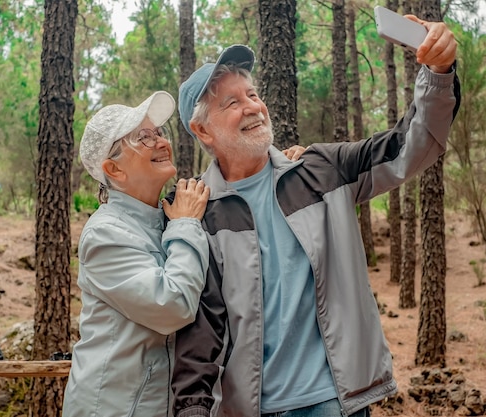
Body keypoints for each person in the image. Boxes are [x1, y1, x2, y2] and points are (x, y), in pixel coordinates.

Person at [171, 16, 460, 417]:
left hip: (335, 402)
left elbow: (414, 144)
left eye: (253, 94)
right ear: (202, 130)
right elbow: (200, 334)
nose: (253, 107)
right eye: (232, 103)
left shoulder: (320, 170)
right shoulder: (200, 214)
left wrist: (438, 72)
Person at [61, 91, 211, 417]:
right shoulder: (105, 234)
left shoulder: (163, 219)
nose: (160, 141)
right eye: (143, 137)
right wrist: (186, 224)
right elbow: (173, 305)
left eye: (158, 133)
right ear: (114, 169)